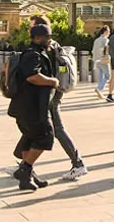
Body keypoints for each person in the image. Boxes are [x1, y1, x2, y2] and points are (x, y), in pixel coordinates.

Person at [7, 19, 60, 191]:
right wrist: (53, 81)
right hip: (30, 107)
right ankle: (25, 170)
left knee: (30, 139)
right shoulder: (32, 55)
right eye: (47, 37)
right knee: (45, 136)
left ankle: (27, 175)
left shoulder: (39, 52)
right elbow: (32, 76)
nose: (49, 40)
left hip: (29, 106)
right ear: (37, 38)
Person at [35, 18, 87, 179]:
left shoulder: (48, 48)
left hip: (51, 94)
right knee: (35, 127)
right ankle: (24, 164)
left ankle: (77, 163)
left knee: (57, 129)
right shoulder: (53, 45)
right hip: (54, 92)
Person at [91, 25, 111, 98]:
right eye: (108, 32)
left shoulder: (96, 40)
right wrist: (108, 56)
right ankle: (99, 88)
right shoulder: (105, 40)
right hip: (103, 59)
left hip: (96, 60)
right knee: (108, 76)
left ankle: (100, 92)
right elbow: (107, 49)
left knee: (100, 76)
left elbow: (93, 50)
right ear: (105, 32)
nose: (109, 33)